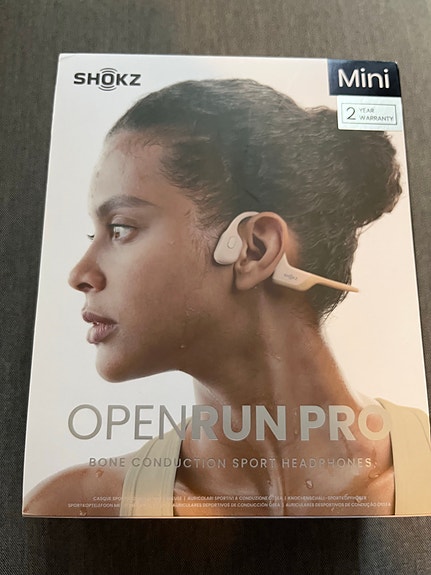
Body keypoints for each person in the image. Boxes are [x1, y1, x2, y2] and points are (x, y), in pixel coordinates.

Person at [23, 79, 431, 517]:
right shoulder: (77, 507)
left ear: (253, 248)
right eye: (95, 234)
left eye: (120, 228)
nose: (79, 275)